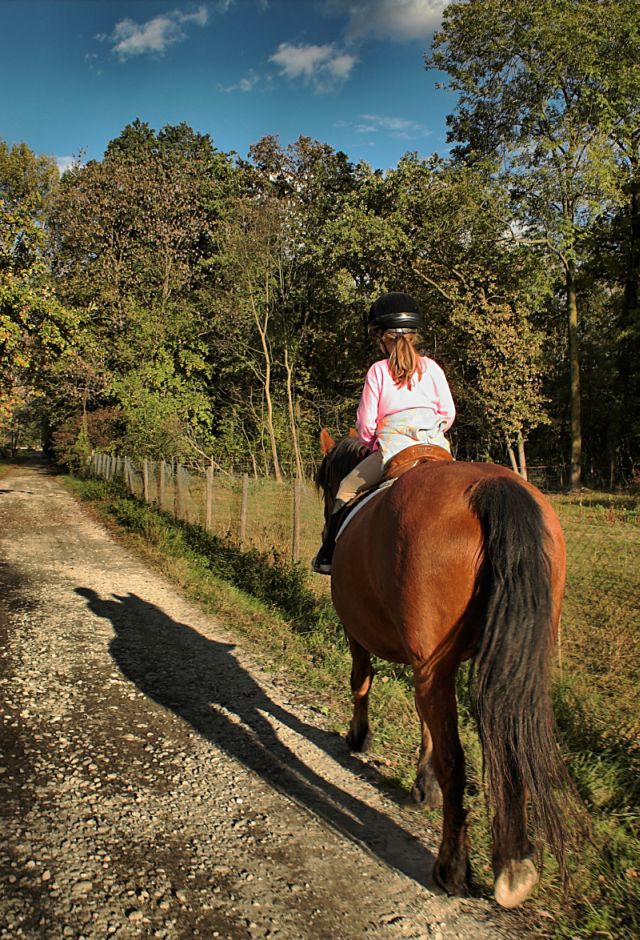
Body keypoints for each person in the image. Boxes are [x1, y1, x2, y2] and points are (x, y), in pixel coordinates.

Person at [312, 291, 456, 575]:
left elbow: (365, 424)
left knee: (345, 489)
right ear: (414, 335)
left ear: (381, 337)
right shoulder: (432, 369)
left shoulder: (378, 371)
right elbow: (448, 413)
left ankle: (328, 554)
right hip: (437, 449)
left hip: (394, 451)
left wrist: (370, 445)